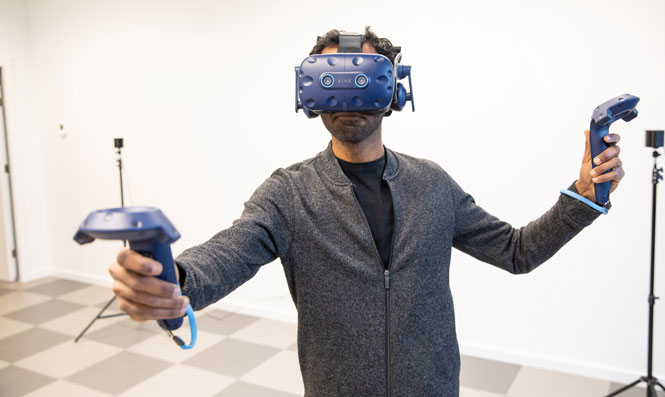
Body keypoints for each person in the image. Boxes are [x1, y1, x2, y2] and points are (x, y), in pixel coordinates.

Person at [108, 26, 625, 396]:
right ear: (309, 93)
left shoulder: (433, 185)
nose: (347, 97)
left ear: (395, 90)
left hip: (433, 386)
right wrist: (170, 281)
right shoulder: (289, 194)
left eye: (363, 80)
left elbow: (517, 252)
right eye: (331, 81)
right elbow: (228, 254)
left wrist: (582, 196)